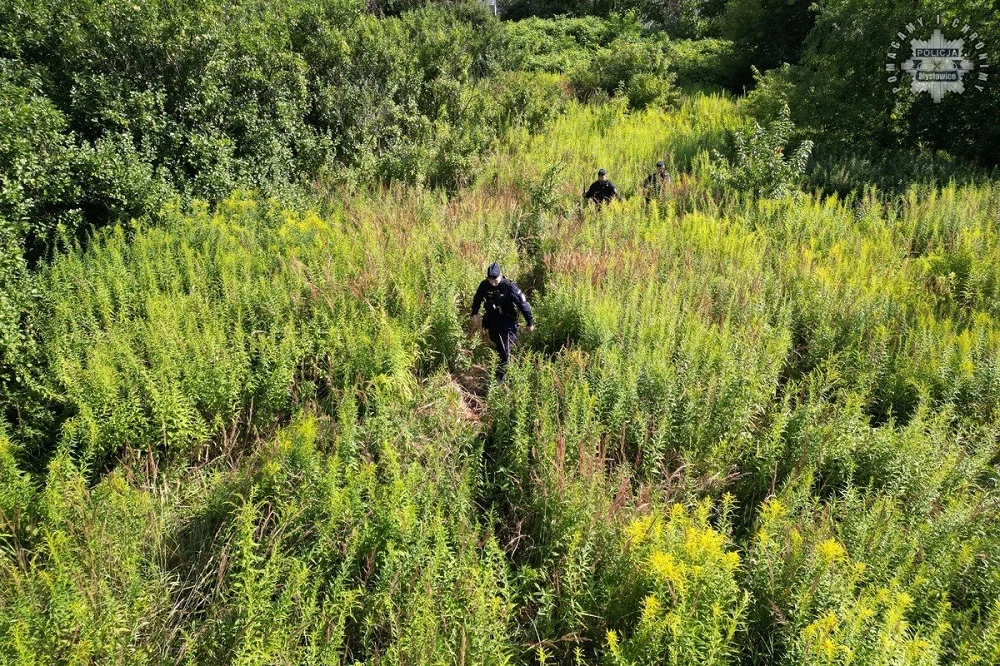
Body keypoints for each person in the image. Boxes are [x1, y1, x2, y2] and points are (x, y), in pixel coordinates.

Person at [471, 262, 534, 381]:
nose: (493, 283)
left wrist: (530, 322)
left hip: (507, 321)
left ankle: (500, 378)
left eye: (495, 280)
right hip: (492, 320)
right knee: (497, 344)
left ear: (500, 275)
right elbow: (477, 299)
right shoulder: (484, 285)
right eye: (491, 280)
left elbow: (523, 304)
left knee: (506, 348)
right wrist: (474, 313)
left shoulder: (509, 287)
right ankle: (504, 363)